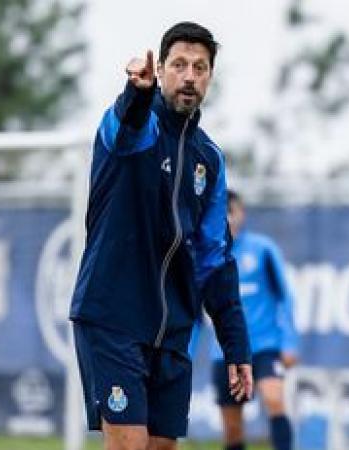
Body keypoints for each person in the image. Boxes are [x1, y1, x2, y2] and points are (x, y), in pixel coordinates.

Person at [69, 22, 253, 450]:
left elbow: (215, 260)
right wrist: (136, 93)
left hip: (172, 330)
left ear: (210, 76)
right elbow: (127, 128)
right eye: (180, 65)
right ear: (163, 68)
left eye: (200, 67)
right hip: (113, 315)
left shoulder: (210, 158)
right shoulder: (135, 126)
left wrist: (236, 345)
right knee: (129, 444)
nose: (190, 76)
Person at [210, 190, 299, 450]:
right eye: (221, 212)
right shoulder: (209, 254)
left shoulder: (262, 249)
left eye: (231, 211)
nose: (227, 218)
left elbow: (286, 296)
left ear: (241, 213)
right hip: (225, 353)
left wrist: (289, 342)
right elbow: (196, 312)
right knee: (232, 429)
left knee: (274, 399)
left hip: (264, 347)